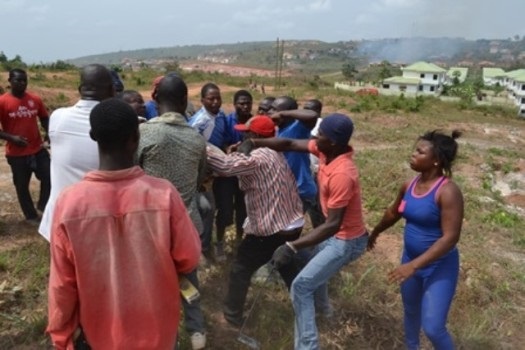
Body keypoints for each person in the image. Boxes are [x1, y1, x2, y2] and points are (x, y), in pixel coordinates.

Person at [46, 98, 201, 349]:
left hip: (100, 336)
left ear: (93, 136)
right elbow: (189, 257)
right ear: (135, 137)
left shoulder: (70, 203)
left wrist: (61, 336)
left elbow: (62, 284)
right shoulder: (163, 194)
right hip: (158, 333)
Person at [239, 113, 368, 349]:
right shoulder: (325, 151)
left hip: (346, 240)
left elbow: (332, 225)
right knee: (311, 271)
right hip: (336, 236)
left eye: (321, 135)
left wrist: (291, 246)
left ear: (334, 142)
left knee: (301, 286)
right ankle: (325, 313)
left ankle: (307, 346)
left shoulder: (343, 174)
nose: (315, 137)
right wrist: (255, 142)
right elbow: (288, 144)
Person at [368, 130, 464, 350]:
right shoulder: (409, 185)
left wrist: (413, 266)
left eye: (420, 152)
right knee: (411, 312)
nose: (413, 154)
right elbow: (395, 212)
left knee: (433, 327)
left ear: (436, 160)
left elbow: (451, 238)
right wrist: (376, 231)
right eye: (415, 149)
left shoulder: (447, 191)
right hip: (410, 260)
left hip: (438, 266)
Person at [206, 115, 304, 328]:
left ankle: (232, 317)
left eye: (245, 133)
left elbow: (224, 166)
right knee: (286, 266)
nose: (242, 136)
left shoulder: (257, 157)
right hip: (292, 225)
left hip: (272, 228)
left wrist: (201, 146)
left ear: (255, 136)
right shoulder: (275, 154)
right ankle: (306, 310)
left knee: (241, 269)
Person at [136, 74, 208, 350]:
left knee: (154, 288)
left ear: (154, 99)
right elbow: (200, 177)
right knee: (189, 280)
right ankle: (196, 330)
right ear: (185, 101)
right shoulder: (197, 140)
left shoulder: (143, 134)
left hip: (151, 228)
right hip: (188, 225)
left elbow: (132, 173)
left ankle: (164, 337)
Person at [38, 64, 114, 241]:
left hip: (58, 220)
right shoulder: (116, 126)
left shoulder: (58, 117)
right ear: (112, 90)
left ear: (80, 89)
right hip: (96, 223)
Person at [0, 68, 51, 223]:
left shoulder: (35, 99)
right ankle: (30, 216)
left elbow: (44, 118)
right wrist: (12, 138)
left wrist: (48, 133)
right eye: (18, 80)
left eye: (24, 80)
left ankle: (43, 206)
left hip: (37, 149)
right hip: (16, 154)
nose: (22, 83)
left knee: (49, 176)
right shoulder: (2, 102)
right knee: (22, 186)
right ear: (10, 81)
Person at [189, 83, 231, 260]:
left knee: (218, 208)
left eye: (218, 98)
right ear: (202, 100)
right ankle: (201, 248)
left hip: (217, 169)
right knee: (205, 209)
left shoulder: (221, 116)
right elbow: (190, 146)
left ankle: (210, 244)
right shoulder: (199, 121)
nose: (215, 102)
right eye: (211, 98)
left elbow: (222, 139)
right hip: (201, 174)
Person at [270, 96, 323, 228]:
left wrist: (282, 113)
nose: (272, 112)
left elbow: (312, 115)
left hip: (300, 190)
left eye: (275, 109)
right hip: (290, 190)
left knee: (288, 228)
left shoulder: (297, 128)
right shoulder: (279, 129)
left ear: (288, 113)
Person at [218, 90, 252, 242]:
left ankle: (239, 239)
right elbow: (222, 143)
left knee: (243, 209)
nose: (245, 106)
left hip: (246, 173)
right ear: (234, 104)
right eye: (241, 103)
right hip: (228, 174)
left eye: (248, 103)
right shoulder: (227, 120)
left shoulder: (254, 122)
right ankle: (219, 241)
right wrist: (229, 149)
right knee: (225, 210)